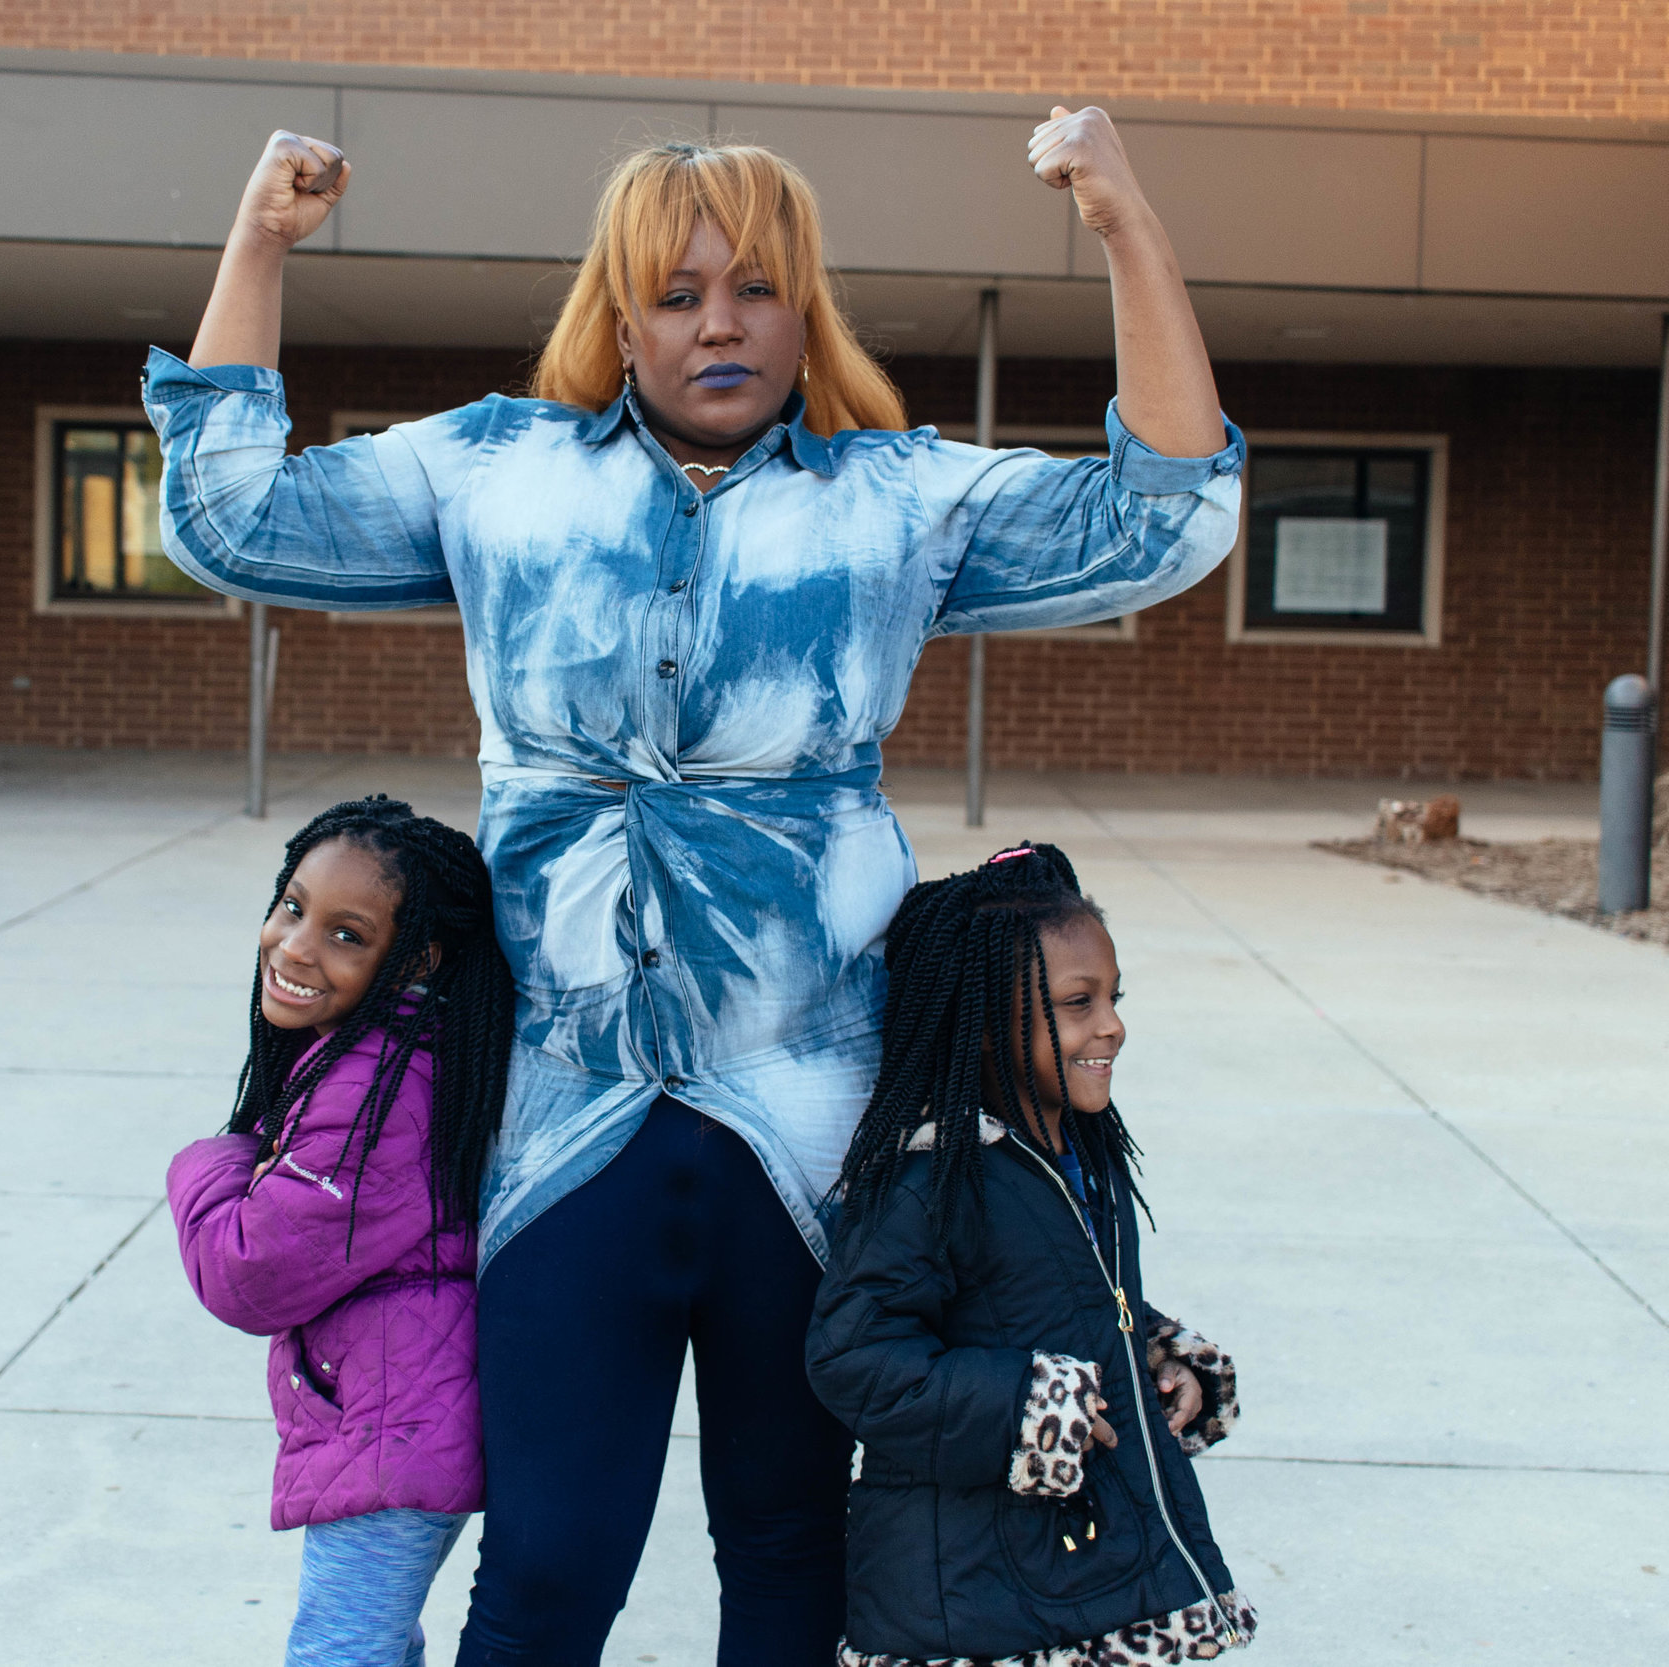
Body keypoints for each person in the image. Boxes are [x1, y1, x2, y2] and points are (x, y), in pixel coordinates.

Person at [147, 106, 1245, 1663]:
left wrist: (1128, 222)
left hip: (803, 1136)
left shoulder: (894, 500)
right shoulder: (496, 472)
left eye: (754, 287)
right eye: (674, 292)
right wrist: (259, 240)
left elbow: (1169, 518)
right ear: (620, 312)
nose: (717, 322)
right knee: (546, 1566)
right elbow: (228, 515)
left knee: (788, 1557)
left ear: (808, 305)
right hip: (559, 1125)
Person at [809, 842, 1255, 1666]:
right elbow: (853, 1352)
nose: (1112, 1024)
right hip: (973, 1593)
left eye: (1114, 997)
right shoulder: (935, 1179)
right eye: (1077, 1003)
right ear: (984, 1023)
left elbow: (1066, 1294)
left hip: (1067, 1566)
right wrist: (1029, 1403)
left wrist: (1157, 1354)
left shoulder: (1076, 1152)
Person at [167, 796, 514, 1667]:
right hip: (394, 1419)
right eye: (292, 906)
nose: (294, 946)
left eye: (346, 935)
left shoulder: (381, 1087)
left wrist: (209, 1160)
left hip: (393, 1433)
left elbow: (249, 1272)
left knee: (339, 1652)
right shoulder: (387, 1057)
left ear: (417, 959)